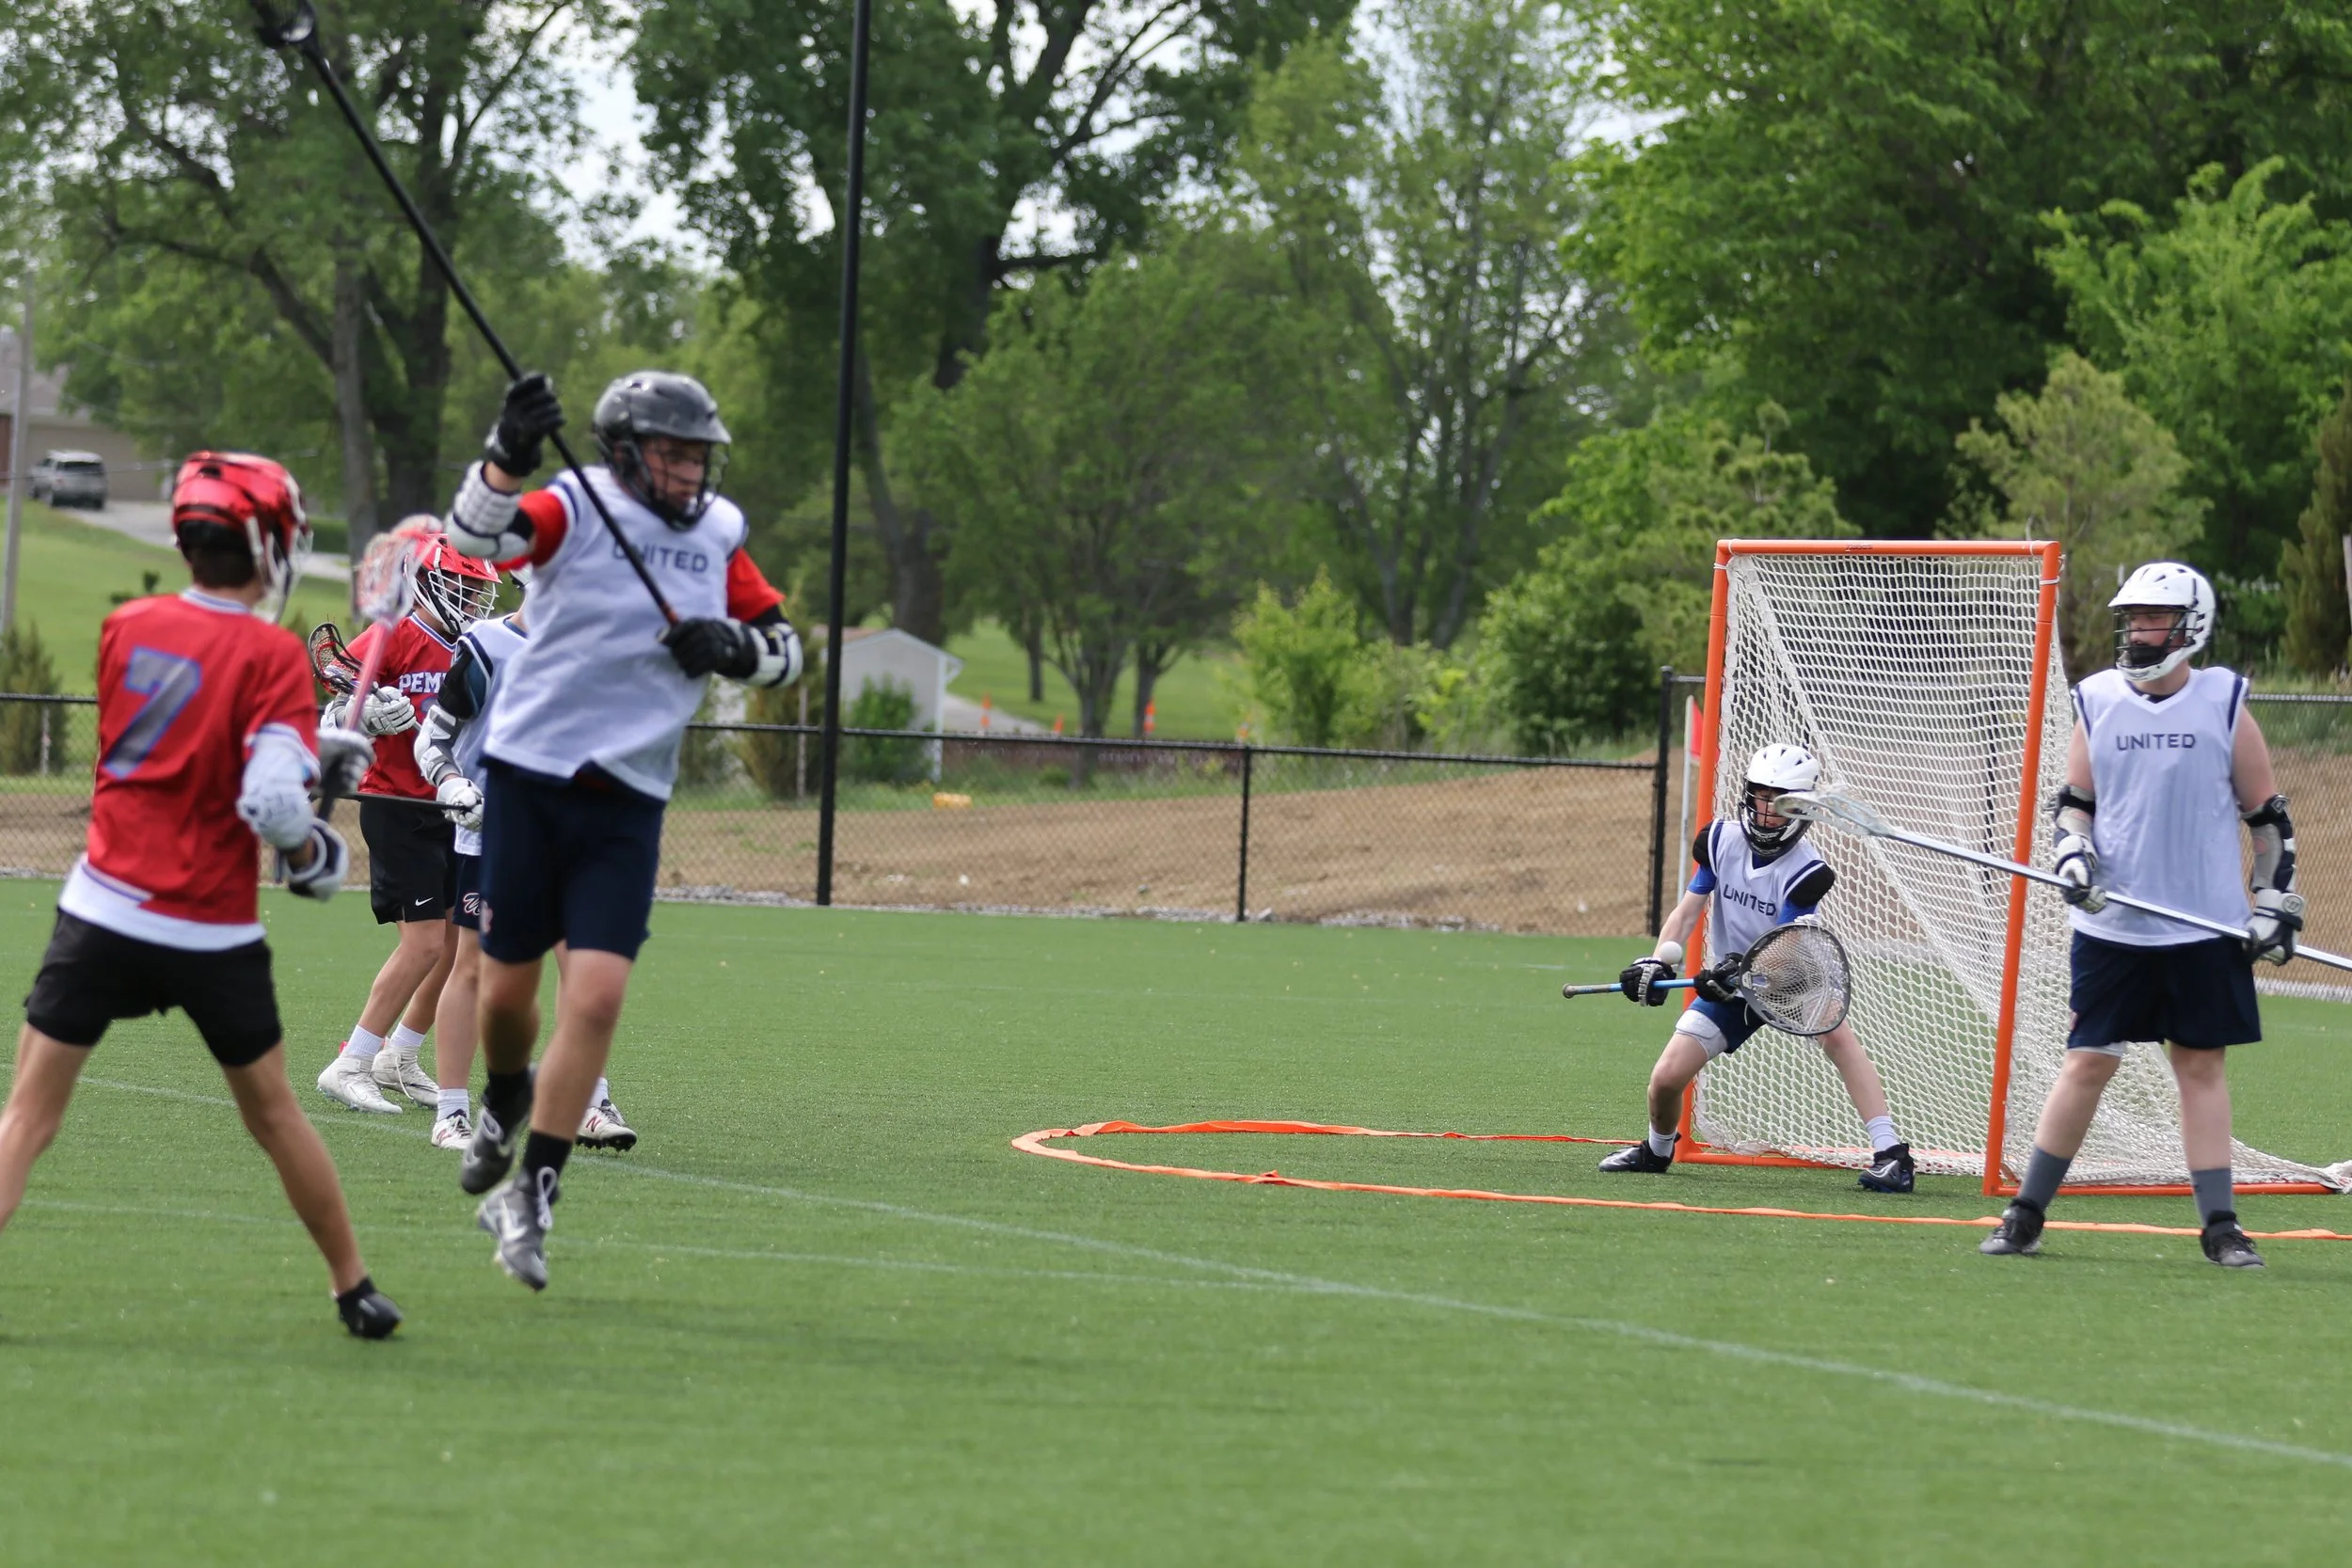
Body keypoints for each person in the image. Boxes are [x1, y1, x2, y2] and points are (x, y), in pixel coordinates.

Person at [0, 451, 401, 1337]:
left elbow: (191, 736)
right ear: (270, 545)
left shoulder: (126, 625)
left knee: (26, 1115)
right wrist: (310, 843)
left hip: (103, 906)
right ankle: (354, 1287)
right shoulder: (270, 653)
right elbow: (268, 803)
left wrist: (306, 754)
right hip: (206, 926)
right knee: (275, 1115)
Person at [442, 369, 802, 1289]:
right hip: (530, 776)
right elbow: (474, 538)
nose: (689, 471)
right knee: (504, 995)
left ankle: (532, 1195)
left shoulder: (717, 533)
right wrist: (506, 453)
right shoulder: (574, 503)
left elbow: (786, 649)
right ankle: (505, 1092)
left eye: (697, 455)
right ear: (628, 452)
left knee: (597, 996)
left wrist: (734, 646)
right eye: (671, 453)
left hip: (628, 797)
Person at [1980, 562, 2294, 1268]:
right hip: (2113, 927)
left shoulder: (2223, 703)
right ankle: (2025, 1215)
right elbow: (2076, 805)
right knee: (2088, 1061)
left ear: (2191, 626)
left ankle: (2221, 1227)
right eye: (2134, 619)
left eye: (2156, 618)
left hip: (2204, 927)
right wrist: (2073, 852)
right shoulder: (2096, 700)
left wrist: (2274, 902)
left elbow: (2267, 819)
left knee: (2200, 1066)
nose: (2141, 631)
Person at [1600, 743, 1916, 1193]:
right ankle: (1657, 1150)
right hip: (1732, 985)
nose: (1767, 810)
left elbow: (1787, 946)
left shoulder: (1808, 870)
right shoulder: (1719, 841)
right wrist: (1655, 959)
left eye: (1781, 801)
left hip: (1795, 977)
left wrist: (1737, 971)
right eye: (1761, 796)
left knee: (1838, 1039)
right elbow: (1687, 912)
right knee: (1666, 1079)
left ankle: (1892, 1155)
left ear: (1802, 809)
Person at [413, 602, 638, 1153]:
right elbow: (432, 740)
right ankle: (450, 1112)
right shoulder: (485, 648)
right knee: (472, 968)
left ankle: (588, 1100)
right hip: (493, 835)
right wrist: (451, 783)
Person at [312, 529, 499, 1115]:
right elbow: (333, 707)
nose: (472, 600)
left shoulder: (476, 646)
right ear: (430, 583)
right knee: (423, 945)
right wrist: (363, 710)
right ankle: (351, 1063)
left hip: (453, 808)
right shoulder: (395, 633)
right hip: (397, 805)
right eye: (462, 586)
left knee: (454, 946)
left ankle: (400, 1056)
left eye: (477, 590)